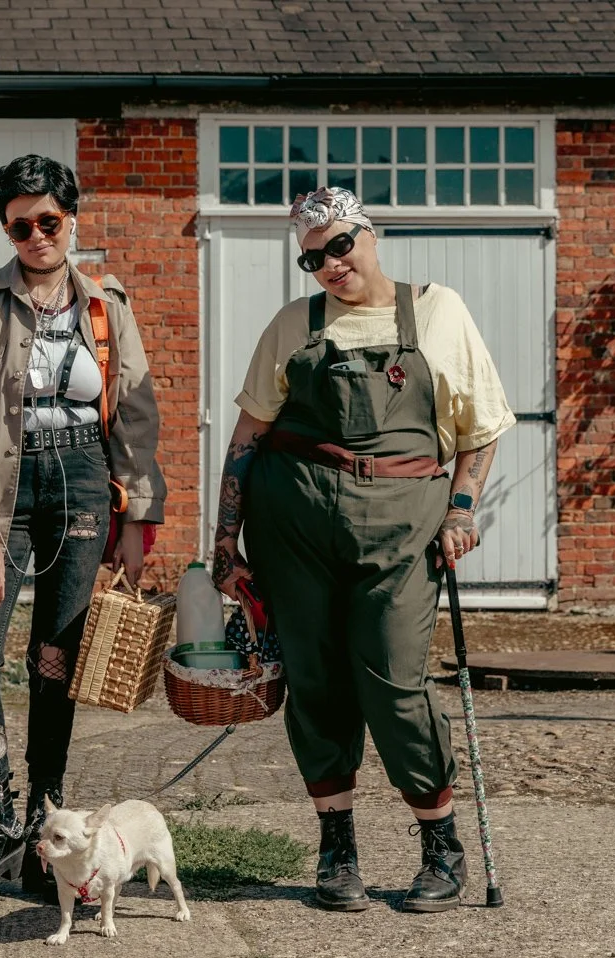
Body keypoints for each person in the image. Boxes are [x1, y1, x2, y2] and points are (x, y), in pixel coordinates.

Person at [212, 187, 515, 914]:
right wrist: (225, 540)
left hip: (404, 528)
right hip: (295, 528)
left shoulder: (438, 312)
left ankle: (440, 843)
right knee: (314, 682)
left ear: (370, 236)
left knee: (393, 680)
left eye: (340, 246)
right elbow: (249, 438)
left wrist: (463, 510)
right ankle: (335, 846)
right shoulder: (294, 325)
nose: (330, 265)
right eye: (312, 258)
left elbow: (481, 428)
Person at [0, 154, 166, 907]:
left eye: (49, 221)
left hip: (86, 486)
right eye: (19, 223)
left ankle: (48, 825)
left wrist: (140, 518)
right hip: (2, 488)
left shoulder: (107, 303)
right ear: (5, 225)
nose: (35, 235)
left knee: (54, 662)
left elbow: (134, 412)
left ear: (72, 217)